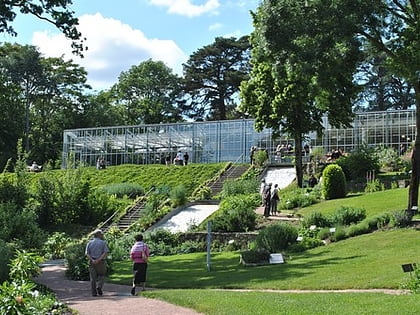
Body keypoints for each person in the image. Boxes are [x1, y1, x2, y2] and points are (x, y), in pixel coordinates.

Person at [85, 229, 109, 297]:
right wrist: (99, 259)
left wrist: (92, 260)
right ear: (99, 235)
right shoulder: (103, 242)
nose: (102, 235)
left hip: (92, 262)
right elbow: (105, 252)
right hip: (101, 262)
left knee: (93, 278)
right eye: (101, 234)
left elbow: (86, 253)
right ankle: (99, 286)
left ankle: (94, 293)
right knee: (102, 275)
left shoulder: (89, 243)